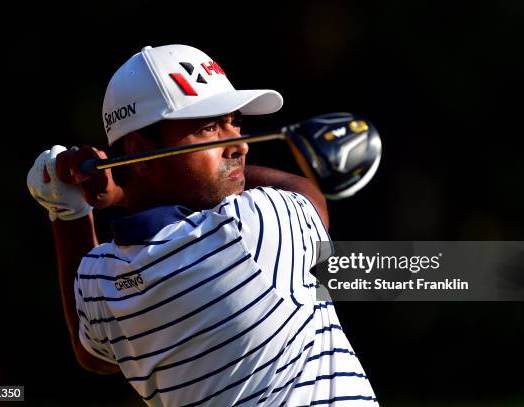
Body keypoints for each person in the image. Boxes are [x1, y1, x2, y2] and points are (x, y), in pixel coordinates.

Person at [27, 44, 379, 406]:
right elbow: (310, 197)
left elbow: (92, 355)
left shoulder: (101, 282)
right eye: (210, 128)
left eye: (235, 122)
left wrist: (67, 210)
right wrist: (120, 193)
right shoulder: (254, 228)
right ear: (139, 153)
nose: (239, 145)